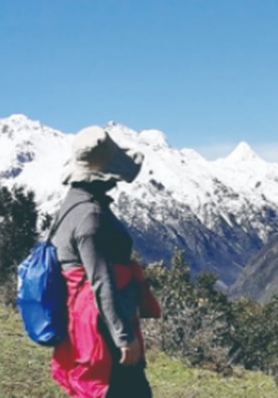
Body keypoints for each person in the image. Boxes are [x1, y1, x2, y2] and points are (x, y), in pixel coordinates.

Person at [50, 126, 161, 398]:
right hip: (103, 328)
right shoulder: (92, 217)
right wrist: (124, 337)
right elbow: (100, 280)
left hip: (84, 321)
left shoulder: (73, 206)